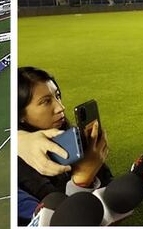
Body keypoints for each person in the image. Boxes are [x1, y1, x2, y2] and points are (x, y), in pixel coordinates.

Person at [17, 67, 111, 201]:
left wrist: (96, 163)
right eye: (45, 101)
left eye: (57, 96)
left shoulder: (69, 135)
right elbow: (58, 211)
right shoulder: (21, 165)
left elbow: (111, 188)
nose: (60, 107)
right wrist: (82, 179)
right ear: (21, 115)